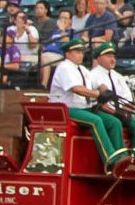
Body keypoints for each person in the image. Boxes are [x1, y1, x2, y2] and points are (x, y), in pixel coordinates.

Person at [49, 38, 125, 166]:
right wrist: (98, 94)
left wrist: (105, 90)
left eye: (82, 52)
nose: (80, 55)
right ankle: (110, 159)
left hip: (85, 108)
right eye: (77, 52)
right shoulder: (64, 68)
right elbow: (76, 88)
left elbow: (96, 84)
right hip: (66, 108)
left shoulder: (82, 69)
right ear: (67, 54)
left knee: (114, 122)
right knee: (96, 121)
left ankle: (122, 156)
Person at [83, 42, 135, 159]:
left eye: (113, 56)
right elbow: (98, 102)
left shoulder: (118, 76)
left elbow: (126, 99)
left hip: (120, 112)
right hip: (102, 111)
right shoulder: (93, 75)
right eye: (108, 56)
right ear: (99, 58)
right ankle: (121, 158)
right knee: (115, 123)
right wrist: (117, 113)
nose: (112, 59)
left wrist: (127, 112)